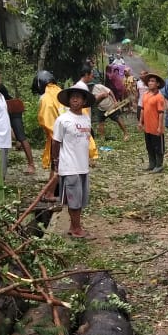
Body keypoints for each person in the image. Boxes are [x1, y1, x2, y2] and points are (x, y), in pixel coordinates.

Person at [51, 84, 95, 238]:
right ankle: (77, 229)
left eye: (78, 97)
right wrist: (55, 164)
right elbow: (55, 142)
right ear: (69, 100)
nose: (75, 99)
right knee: (73, 199)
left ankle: (73, 226)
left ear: (84, 101)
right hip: (69, 166)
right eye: (72, 97)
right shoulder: (63, 120)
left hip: (82, 165)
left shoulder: (85, 118)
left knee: (81, 199)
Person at [33, 70, 62, 170]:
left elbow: (47, 123)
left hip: (57, 137)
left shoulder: (45, 98)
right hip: (69, 134)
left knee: (56, 165)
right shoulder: (60, 92)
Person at [141, 72, 167, 173]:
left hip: (156, 127)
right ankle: (152, 164)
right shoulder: (145, 95)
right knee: (149, 146)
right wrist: (140, 122)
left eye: (153, 81)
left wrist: (160, 127)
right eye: (149, 81)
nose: (150, 83)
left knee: (158, 147)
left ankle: (159, 165)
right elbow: (143, 109)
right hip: (147, 126)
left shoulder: (159, 97)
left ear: (158, 84)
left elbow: (161, 113)